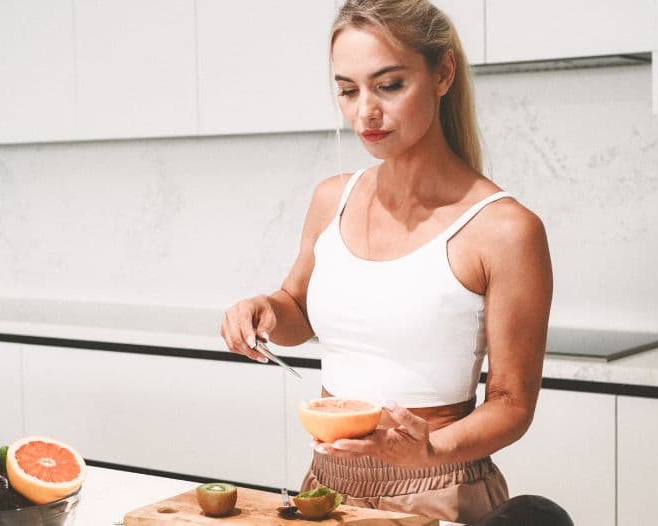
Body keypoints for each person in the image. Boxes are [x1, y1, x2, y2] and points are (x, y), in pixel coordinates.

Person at [219, 0, 552, 522]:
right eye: (348, 91)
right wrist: (262, 309)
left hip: (437, 487)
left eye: (389, 85)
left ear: (443, 73)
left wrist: (430, 452)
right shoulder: (333, 198)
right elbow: (296, 312)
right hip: (327, 483)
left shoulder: (505, 229)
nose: (364, 112)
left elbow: (512, 403)